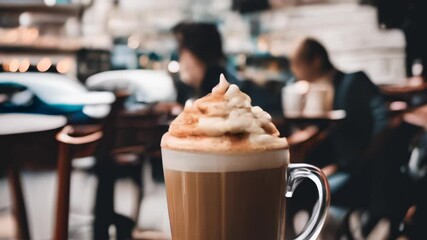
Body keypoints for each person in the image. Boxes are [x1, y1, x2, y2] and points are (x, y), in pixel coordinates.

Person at [287, 38, 394, 238]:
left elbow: (383, 121)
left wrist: (362, 157)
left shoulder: (354, 82)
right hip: (337, 165)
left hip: (359, 169)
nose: (295, 74)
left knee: (308, 191)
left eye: (298, 66)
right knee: (292, 192)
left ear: (316, 61)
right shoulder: (320, 89)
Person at [171, 21, 238, 104]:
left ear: (198, 53)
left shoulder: (225, 96)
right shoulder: (191, 91)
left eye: (181, 50)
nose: (180, 60)